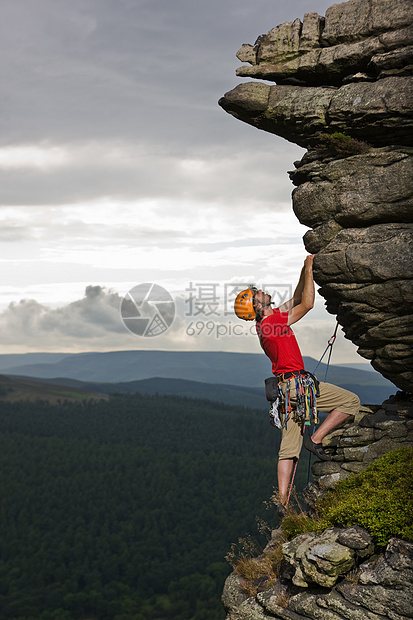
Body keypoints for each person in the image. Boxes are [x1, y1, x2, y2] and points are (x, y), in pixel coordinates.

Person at [234, 255, 360, 512]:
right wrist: (310, 269)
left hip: (285, 393)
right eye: (257, 294)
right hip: (298, 387)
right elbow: (308, 304)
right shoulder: (271, 323)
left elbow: (295, 297)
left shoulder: (267, 321)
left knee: (288, 449)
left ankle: (282, 502)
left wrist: (306, 268)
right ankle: (316, 439)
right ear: (257, 307)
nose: (261, 292)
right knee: (351, 401)